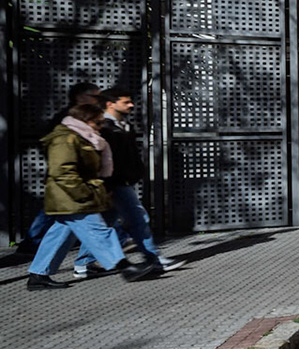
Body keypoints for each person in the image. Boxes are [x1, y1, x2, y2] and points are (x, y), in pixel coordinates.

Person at [26, 101, 162, 289]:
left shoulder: (82, 137)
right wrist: (84, 193)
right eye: (98, 122)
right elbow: (63, 172)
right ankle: (124, 267)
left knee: (61, 233)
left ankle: (38, 275)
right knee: (99, 231)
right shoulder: (66, 139)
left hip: (73, 195)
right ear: (84, 120)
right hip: (72, 196)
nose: (101, 126)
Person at [7, 82, 104, 260]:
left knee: (62, 218)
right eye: (94, 96)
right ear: (79, 97)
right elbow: (60, 152)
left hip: (74, 175)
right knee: (57, 212)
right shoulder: (69, 120)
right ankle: (117, 260)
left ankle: (36, 258)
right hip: (69, 175)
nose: (98, 100)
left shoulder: (80, 117)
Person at [96, 88, 181, 274]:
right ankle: (153, 258)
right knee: (138, 218)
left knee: (106, 223)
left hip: (120, 180)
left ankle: (84, 263)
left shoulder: (122, 125)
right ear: (110, 103)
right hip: (115, 181)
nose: (131, 105)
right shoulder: (104, 128)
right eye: (126, 102)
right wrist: (108, 184)